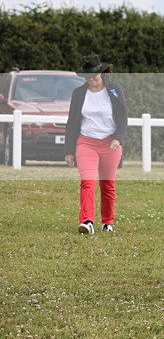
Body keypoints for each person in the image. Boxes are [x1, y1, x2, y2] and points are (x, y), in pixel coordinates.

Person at [64, 54, 128, 234]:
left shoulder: (114, 90)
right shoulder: (78, 94)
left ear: (101, 73)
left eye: (94, 75)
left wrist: (118, 138)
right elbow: (71, 122)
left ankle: (107, 222)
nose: (91, 80)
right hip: (86, 143)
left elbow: (123, 117)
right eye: (88, 77)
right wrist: (69, 151)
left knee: (107, 184)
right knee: (88, 181)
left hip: (110, 144)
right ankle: (87, 221)